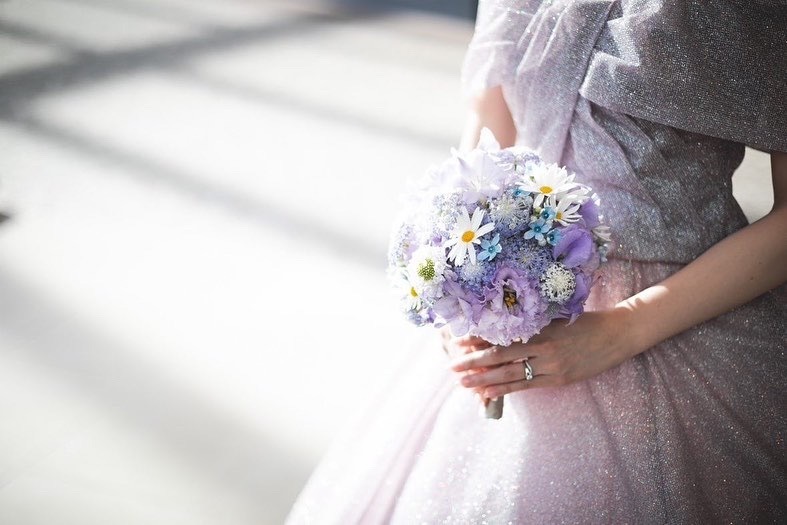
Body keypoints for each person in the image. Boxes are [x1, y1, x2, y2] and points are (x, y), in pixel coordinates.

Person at [287, 1, 787, 522]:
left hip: (679, 323)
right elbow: (486, 141)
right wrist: (455, 283)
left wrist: (622, 331)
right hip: (509, 304)